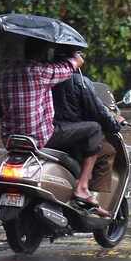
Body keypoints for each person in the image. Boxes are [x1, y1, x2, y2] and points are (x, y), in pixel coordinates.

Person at [0, 38, 90, 202]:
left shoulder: (2, 76)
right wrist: (76, 58)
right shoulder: (40, 72)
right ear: (43, 53)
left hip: (11, 141)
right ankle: (82, 187)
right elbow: (68, 67)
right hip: (41, 139)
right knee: (94, 129)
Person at [47, 45, 122, 217]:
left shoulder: (45, 78)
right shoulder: (80, 81)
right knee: (108, 150)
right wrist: (114, 124)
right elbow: (98, 111)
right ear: (74, 58)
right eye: (79, 54)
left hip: (48, 135)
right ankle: (89, 199)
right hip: (76, 138)